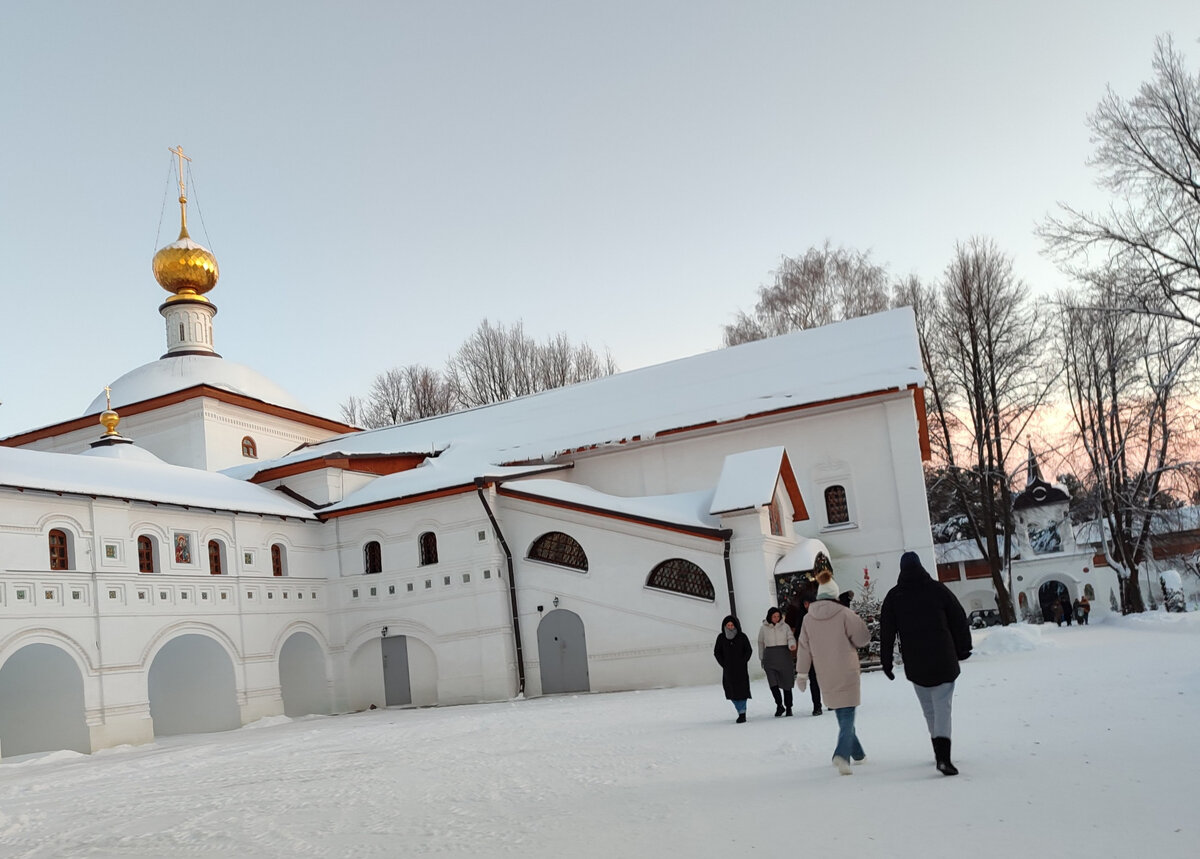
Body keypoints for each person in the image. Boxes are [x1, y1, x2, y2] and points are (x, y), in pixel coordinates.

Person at [879, 551, 973, 776]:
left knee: (929, 710)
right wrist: (963, 648)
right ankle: (943, 757)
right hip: (943, 658)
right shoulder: (938, 590)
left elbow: (886, 631)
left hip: (916, 662)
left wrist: (887, 662)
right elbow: (958, 617)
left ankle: (938, 752)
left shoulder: (894, 596)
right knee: (942, 708)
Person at [795, 569, 870, 774]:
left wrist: (802, 674)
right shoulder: (845, 614)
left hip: (824, 673)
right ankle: (842, 755)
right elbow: (863, 638)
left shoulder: (808, 620)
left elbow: (803, 647)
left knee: (842, 713)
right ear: (835, 595)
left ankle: (859, 754)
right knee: (847, 715)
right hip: (846, 670)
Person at [786, 584, 825, 715]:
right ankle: (817, 706)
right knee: (813, 680)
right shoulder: (801, 617)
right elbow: (798, 635)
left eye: (809, 603)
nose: (807, 606)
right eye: (805, 604)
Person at [757, 606, 797, 717]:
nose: (776, 618)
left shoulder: (785, 627)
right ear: (770, 616)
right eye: (774, 616)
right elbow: (760, 642)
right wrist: (761, 657)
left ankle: (789, 707)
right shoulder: (763, 628)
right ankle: (779, 705)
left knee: (786, 683)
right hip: (769, 657)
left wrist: (792, 645)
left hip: (784, 655)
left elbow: (790, 637)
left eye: (778, 616)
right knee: (773, 683)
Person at [714, 615, 753, 723]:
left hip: (741, 669)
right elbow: (717, 652)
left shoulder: (742, 637)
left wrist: (743, 661)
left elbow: (748, 650)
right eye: (728, 625)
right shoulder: (721, 638)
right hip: (728, 670)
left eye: (732, 625)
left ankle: (742, 713)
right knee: (731, 691)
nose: (730, 627)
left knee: (742, 691)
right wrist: (723, 664)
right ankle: (740, 709)